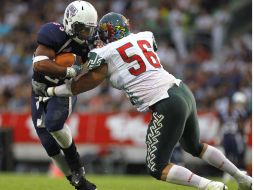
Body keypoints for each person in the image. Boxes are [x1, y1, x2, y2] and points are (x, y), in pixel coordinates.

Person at [33, 12, 252, 190]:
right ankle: (242, 178)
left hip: (166, 102)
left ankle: (209, 187)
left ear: (106, 34)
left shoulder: (106, 52)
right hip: (182, 91)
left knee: (157, 167)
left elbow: (85, 82)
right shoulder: (144, 36)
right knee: (194, 146)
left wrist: (52, 91)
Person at [31, 1, 98, 190]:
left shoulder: (87, 44)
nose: (85, 33)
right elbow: (40, 65)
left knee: (53, 124)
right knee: (49, 146)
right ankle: (79, 184)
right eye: (81, 28)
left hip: (62, 91)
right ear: (69, 22)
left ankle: (76, 165)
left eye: (88, 29)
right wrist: (69, 71)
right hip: (39, 90)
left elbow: (90, 67)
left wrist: (92, 56)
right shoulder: (52, 33)